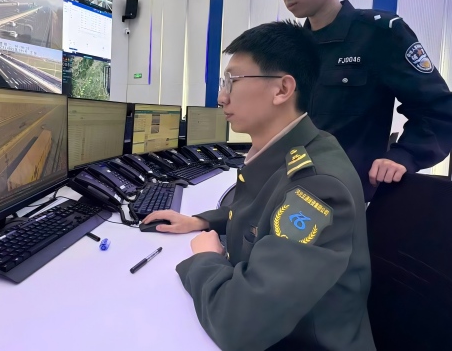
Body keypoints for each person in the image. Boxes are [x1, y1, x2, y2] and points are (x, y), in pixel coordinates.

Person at [143, 21, 375, 350]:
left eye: (232, 81)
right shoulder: (297, 149)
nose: (221, 97)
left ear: (282, 89)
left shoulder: (318, 187)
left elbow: (238, 325)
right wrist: (202, 221)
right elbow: (262, 210)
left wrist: (206, 258)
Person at [274, 0, 452, 201]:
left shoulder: (379, 33)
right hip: (290, 192)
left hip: (349, 200)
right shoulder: (292, 47)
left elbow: (438, 110)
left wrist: (404, 155)